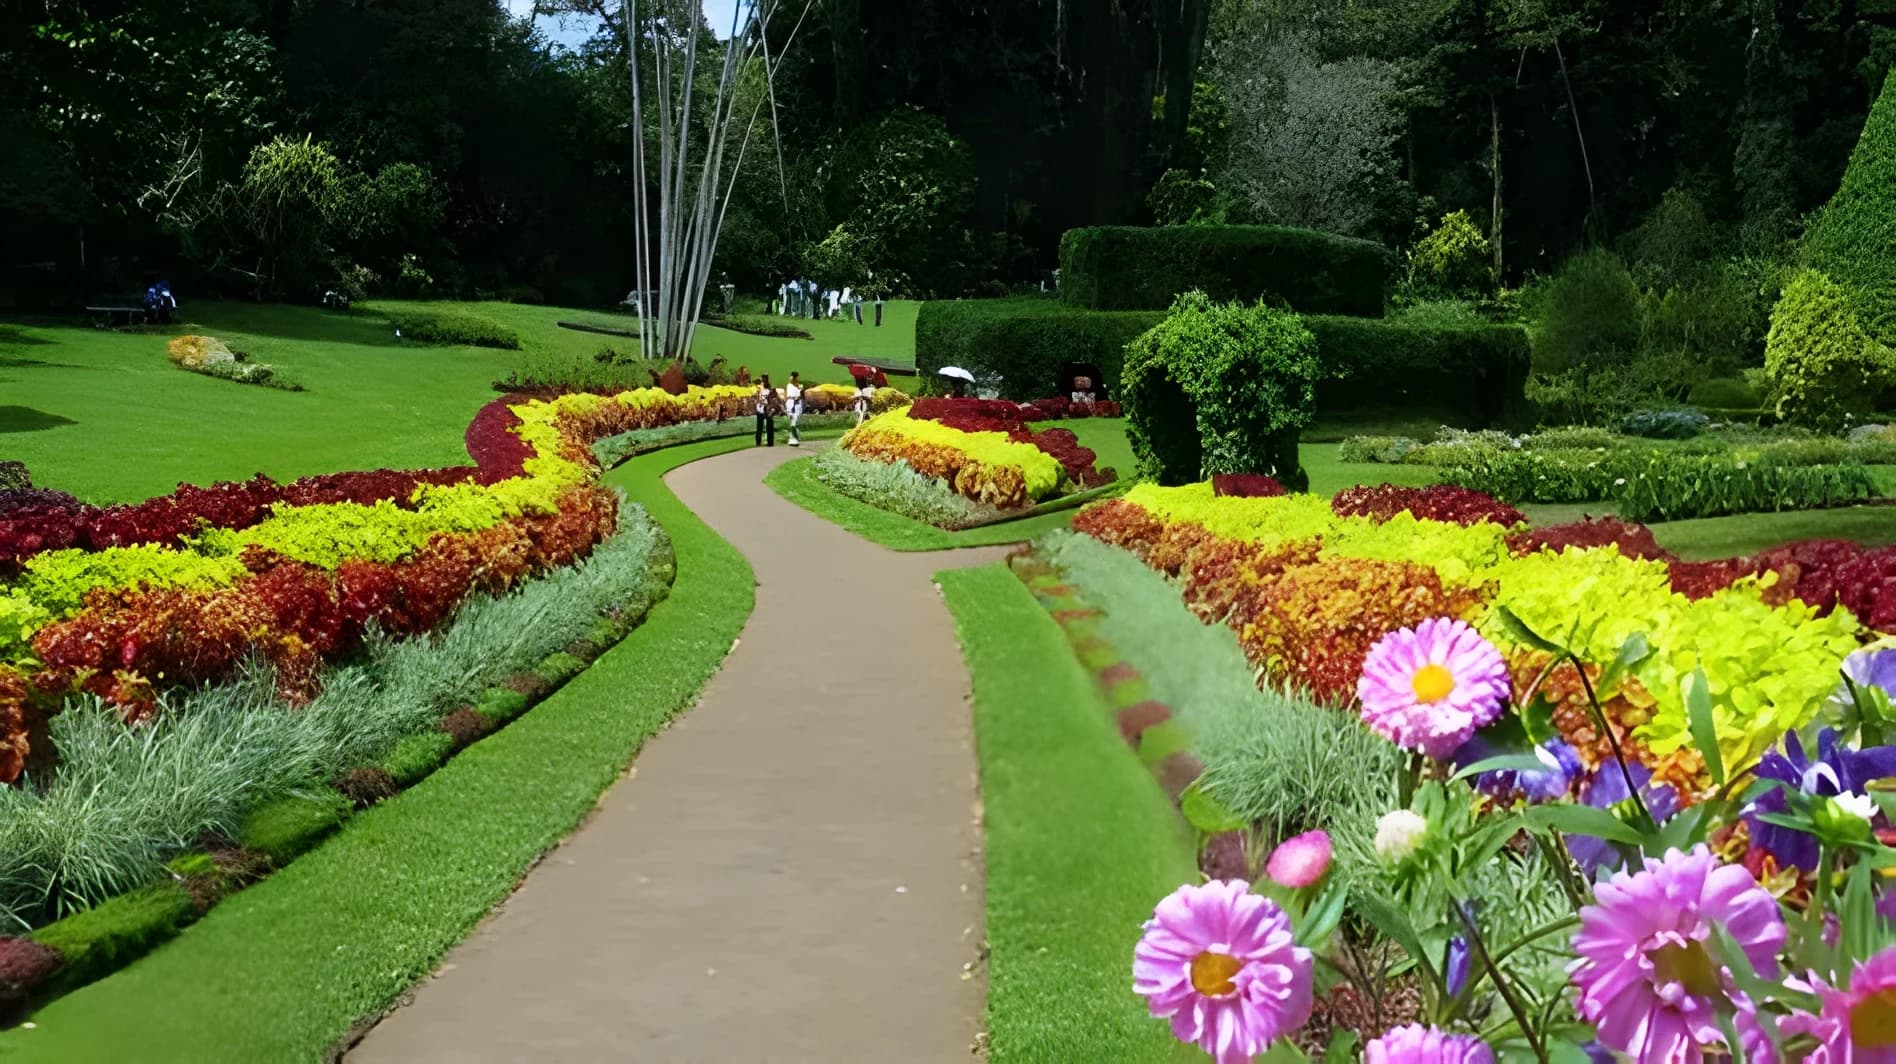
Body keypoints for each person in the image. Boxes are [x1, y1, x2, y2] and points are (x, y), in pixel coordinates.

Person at [754, 374, 780, 447]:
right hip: (760, 408)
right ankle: (758, 443)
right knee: (759, 427)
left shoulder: (771, 389)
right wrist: (759, 401)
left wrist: (773, 408)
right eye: (763, 379)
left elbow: (775, 398)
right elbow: (755, 398)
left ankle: (770, 442)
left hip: (768, 408)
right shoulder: (759, 389)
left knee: (770, 426)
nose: (764, 381)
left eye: (765, 379)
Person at [784, 371, 805, 446]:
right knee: (792, 421)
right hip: (791, 404)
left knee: (794, 421)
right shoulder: (789, 385)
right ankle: (793, 437)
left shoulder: (800, 386)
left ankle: (794, 436)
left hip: (797, 405)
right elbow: (788, 396)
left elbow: (802, 396)